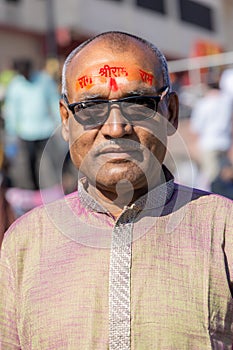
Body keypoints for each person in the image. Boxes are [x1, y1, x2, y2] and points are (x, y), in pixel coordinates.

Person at [0, 31, 233, 349]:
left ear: (171, 113)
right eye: (91, 106)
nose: (115, 127)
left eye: (138, 103)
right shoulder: (23, 244)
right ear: (66, 122)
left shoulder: (223, 228)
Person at [3, 59, 61, 190]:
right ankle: (35, 188)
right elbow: (11, 109)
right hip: (26, 131)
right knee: (30, 161)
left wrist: (59, 120)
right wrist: (11, 130)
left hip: (46, 128)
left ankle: (59, 186)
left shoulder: (44, 80)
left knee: (53, 159)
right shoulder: (15, 84)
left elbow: (53, 100)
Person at [190, 78, 233, 191]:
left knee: (211, 177)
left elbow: (196, 127)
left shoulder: (203, 103)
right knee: (223, 176)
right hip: (224, 142)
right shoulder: (226, 101)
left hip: (209, 143)